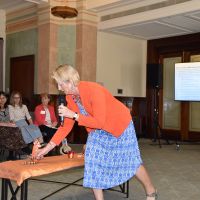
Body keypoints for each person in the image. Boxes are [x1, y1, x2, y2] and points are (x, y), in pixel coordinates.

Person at [36, 64, 157, 200]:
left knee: (131, 161)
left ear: (69, 82)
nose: (59, 88)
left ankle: (151, 190)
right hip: (97, 129)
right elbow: (66, 127)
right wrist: (47, 148)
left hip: (119, 125)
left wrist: (74, 115)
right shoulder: (71, 97)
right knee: (92, 160)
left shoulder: (94, 90)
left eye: (60, 84)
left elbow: (99, 121)